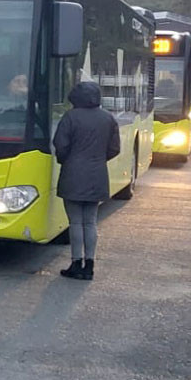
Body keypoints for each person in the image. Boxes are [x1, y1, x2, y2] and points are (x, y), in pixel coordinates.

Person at [53, 81, 120, 281]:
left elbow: (60, 144)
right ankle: (89, 265)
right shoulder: (108, 118)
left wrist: (67, 160)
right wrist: (98, 160)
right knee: (90, 222)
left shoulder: (71, 117)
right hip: (98, 174)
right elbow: (115, 148)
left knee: (75, 222)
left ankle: (75, 262)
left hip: (73, 173)